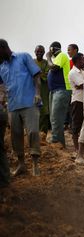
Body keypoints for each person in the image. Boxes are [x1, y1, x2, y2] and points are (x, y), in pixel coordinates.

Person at [0, 39, 42, 176]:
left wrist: (37, 94)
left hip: (29, 101)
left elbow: (36, 76)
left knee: (33, 132)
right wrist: (2, 99)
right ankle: (21, 164)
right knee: (15, 135)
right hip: (12, 105)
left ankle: (35, 164)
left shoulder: (23, 56)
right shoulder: (1, 67)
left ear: (4, 48)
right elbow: (1, 85)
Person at [46, 41, 71, 148]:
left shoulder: (62, 55)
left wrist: (48, 57)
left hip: (62, 90)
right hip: (54, 91)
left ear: (53, 49)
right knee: (54, 118)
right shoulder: (55, 58)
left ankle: (56, 141)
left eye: (50, 49)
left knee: (56, 118)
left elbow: (54, 68)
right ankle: (60, 143)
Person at [68, 53, 84, 153]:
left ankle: (81, 146)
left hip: (83, 99)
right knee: (76, 125)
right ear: (77, 61)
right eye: (82, 60)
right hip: (77, 101)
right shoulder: (73, 72)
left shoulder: (82, 71)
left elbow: (83, 85)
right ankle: (76, 148)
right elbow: (83, 85)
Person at [34, 45, 51, 138]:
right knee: (33, 110)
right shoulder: (32, 62)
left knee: (44, 111)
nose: (39, 53)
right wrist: (39, 73)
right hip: (33, 90)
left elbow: (47, 75)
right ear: (34, 52)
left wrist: (37, 74)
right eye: (37, 51)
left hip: (44, 90)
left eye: (41, 51)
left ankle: (43, 134)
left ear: (44, 53)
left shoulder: (46, 63)